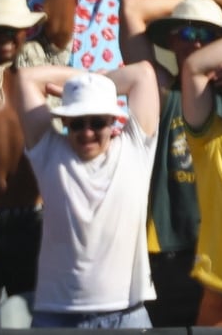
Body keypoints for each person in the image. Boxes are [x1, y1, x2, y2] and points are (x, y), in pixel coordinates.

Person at [18, 63, 160, 328]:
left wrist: (88, 87)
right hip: (58, 316)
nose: (87, 132)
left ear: (112, 122)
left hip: (126, 314)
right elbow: (27, 77)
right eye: (77, 123)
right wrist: (81, 88)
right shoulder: (49, 152)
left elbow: (143, 74)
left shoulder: (135, 150)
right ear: (65, 122)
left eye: (96, 122)